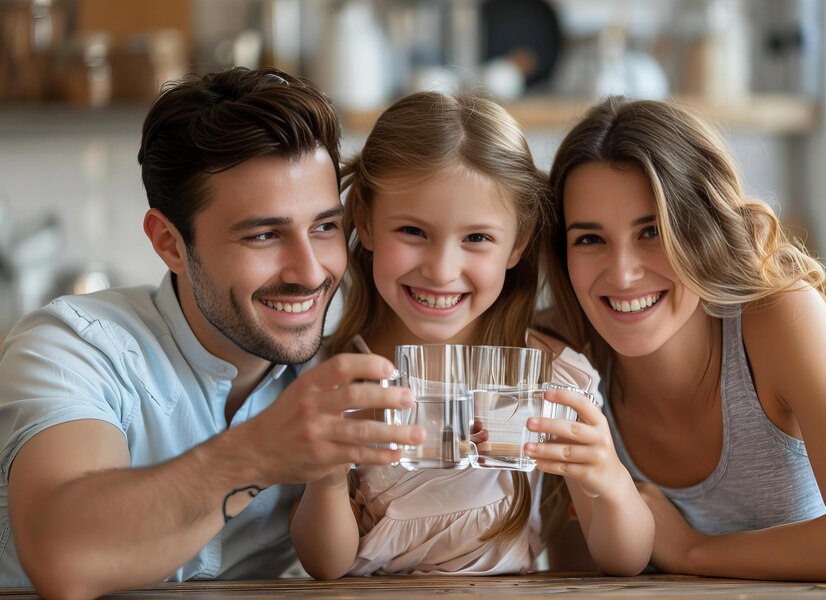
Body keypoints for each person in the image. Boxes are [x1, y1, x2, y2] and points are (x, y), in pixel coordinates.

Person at [0, 67, 424, 598]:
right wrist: (257, 454)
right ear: (170, 243)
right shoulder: (72, 346)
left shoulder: (350, 360)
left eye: (324, 227)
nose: (311, 272)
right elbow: (63, 558)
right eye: (265, 235)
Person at [292, 91, 654, 580]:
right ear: (365, 222)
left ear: (518, 242)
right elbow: (324, 565)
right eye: (413, 232)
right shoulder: (338, 377)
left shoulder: (551, 375)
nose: (442, 270)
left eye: (476, 238)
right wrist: (328, 479)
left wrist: (608, 483)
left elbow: (623, 559)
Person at [542, 96, 826, 583]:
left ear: (704, 231)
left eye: (652, 230)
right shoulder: (557, 353)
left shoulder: (778, 319)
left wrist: (693, 552)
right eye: (589, 239)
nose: (622, 274)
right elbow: (574, 576)